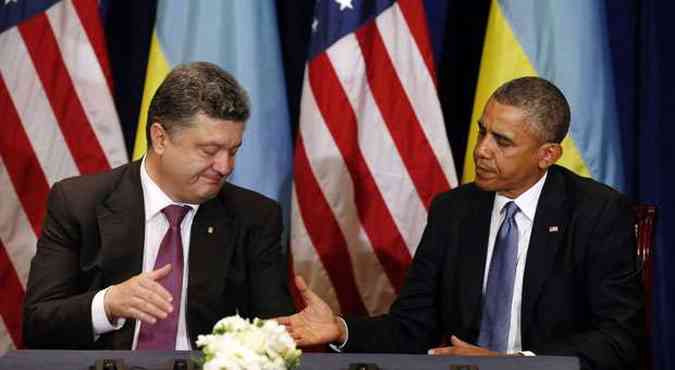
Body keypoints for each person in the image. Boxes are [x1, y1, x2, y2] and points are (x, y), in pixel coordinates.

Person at [279, 77, 644, 370]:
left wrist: (512, 366)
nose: (482, 150)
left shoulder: (597, 212)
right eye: (482, 131)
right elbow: (412, 325)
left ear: (547, 155)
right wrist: (340, 329)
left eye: (502, 142)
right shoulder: (454, 210)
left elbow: (618, 337)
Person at [23, 62, 295, 350]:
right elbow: (37, 324)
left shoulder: (255, 216)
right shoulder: (79, 203)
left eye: (233, 150)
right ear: (160, 138)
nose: (225, 166)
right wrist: (107, 304)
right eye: (210, 151)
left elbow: (275, 336)